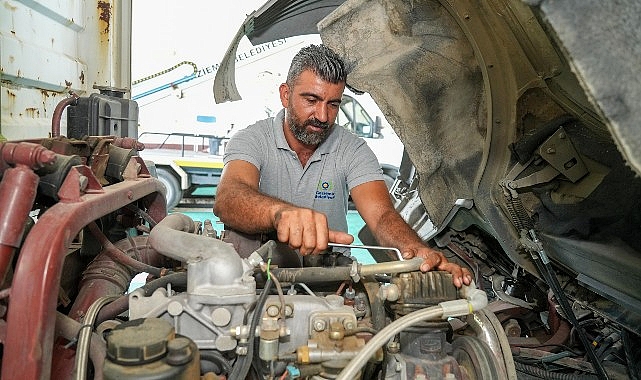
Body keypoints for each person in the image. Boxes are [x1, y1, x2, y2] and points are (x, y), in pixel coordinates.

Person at [213, 44, 472, 288]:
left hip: (331, 278)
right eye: (311, 100)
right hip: (262, 275)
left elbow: (382, 216)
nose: (323, 116)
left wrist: (417, 251)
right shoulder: (252, 139)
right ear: (285, 94)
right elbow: (228, 198)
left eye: (333, 104)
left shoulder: (353, 149)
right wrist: (280, 213)